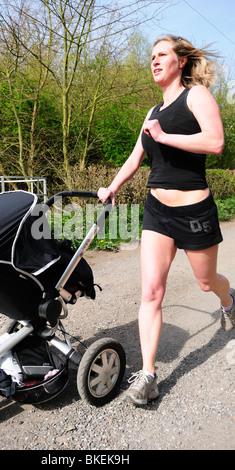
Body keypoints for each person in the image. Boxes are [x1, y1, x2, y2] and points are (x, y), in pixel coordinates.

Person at [98, 35, 235, 406]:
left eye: (162, 55)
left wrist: (166, 136)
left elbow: (216, 142)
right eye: (151, 56)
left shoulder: (197, 96)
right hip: (156, 210)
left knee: (206, 283)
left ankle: (229, 300)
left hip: (194, 211)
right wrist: (111, 186)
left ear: (181, 60)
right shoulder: (152, 112)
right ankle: (149, 375)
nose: (154, 61)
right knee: (151, 292)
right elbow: (135, 158)